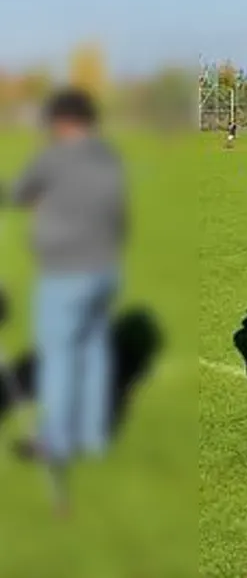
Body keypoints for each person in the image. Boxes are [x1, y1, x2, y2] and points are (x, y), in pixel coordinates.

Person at [7, 89, 127, 467]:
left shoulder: (52, 157)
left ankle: (56, 443)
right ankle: (93, 438)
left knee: (58, 358)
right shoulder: (108, 158)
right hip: (104, 268)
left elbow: (18, 194)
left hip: (63, 272)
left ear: (61, 121)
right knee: (94, 351)